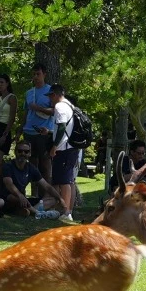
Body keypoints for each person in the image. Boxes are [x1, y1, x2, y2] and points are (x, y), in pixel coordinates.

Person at [47, 86, 89, 219]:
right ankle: (67, 210)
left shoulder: (60, 106)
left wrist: (54, 146)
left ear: (54, 95)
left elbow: (62, 127)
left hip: (64, 148)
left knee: (64, 181)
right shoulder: (69, 105)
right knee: (68, 179)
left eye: (50, 96)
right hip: (70, 148)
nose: (49, 99)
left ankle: (66, 211)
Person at [20, 64, 57, 190]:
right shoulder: (29, 93)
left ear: (44, 74)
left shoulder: (51, 91)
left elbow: (55, 111)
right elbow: (25, 112)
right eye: (34, 74)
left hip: (44, 133)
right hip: (28, 132)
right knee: (31, 165)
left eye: (38, 74)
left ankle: (46, 194)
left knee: (45, 165)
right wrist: (21, 128)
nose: (35, 77)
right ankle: (34, 195)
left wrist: (39, 108)